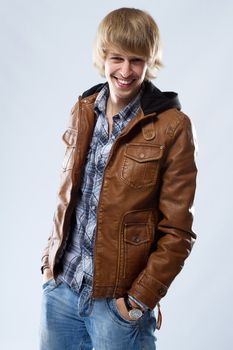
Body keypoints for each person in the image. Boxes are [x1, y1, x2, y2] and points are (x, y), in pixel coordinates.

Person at [39, 7, 198, 350]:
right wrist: (48, 267)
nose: (126, 71)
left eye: (137, 60)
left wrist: (137, 301)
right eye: (117, 58)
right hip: (61, 293)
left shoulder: (172, 126)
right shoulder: (82, 109)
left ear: (150, 61)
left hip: (117, 306)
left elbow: (178, 231)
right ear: (103, 57)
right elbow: (65, 196)